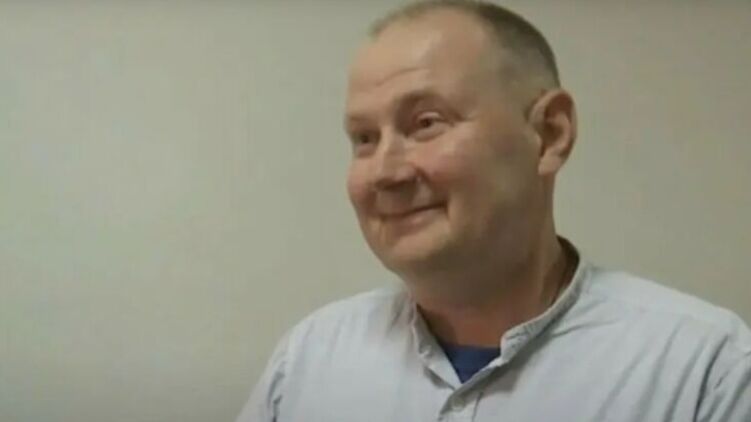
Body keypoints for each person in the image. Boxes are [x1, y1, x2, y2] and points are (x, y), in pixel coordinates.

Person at [236, 1, 751, 421]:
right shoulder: (309, 362)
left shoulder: (704, 372)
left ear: (548, 134)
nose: (385, 173)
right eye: (365, 139)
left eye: (426, 123)